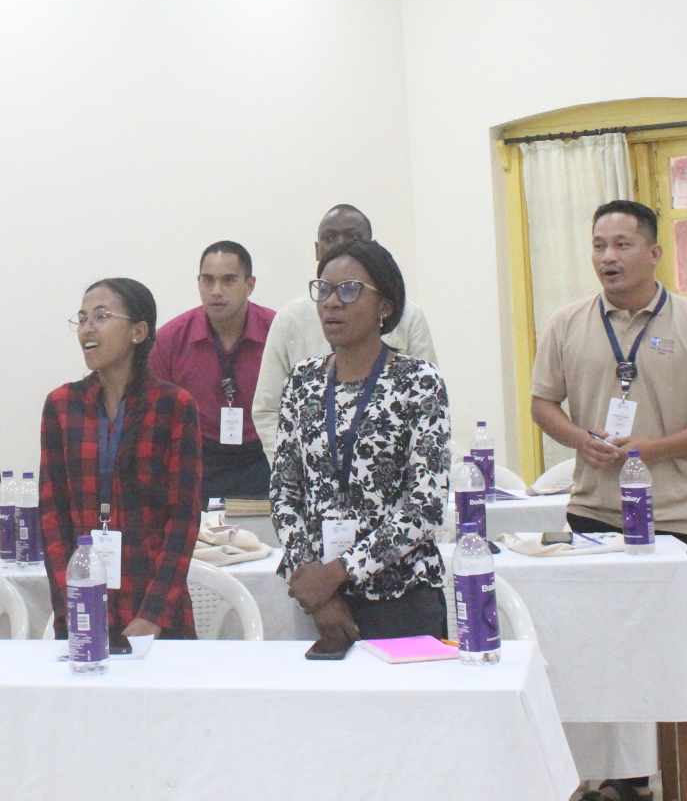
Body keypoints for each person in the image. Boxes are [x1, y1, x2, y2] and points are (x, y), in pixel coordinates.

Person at [530, 199, 687, 801]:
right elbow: (543, 403)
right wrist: (580, 439)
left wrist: (653, 450)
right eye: (599, 245)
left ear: (654, 252)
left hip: (683, 516)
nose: (609, 257)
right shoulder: (567, 323)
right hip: (596, 513)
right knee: (607, 656)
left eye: (623, 244)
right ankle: (624, 779)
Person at [271, 239, 451, 642]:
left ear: (384, 306)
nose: (332, 302)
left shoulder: (418, 382)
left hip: (402, 597)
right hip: (319, 603)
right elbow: (284, 493)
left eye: (349, 290)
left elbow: (425, 505)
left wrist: (340, 572)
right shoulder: (302, 382)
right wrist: (315, 584)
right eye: (323, 290)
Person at [40, 278, 202, 639]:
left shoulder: (174, 407)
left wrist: (152, 617)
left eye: (101, 316)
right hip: (84, 605)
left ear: (138, 332)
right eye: (82, 318)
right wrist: (72, 602)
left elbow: (184, 520)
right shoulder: (62, 406)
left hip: (156, 611)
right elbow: (52, 516)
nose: (87, 328)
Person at [253, 205, 439, 458]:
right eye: (329, 238)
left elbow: (426, 423)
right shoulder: (291, 324)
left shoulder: (409, 317)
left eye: (352, 237)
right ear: (317, 250)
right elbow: (267, 409)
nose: (340, 245)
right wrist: (289, 462)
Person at [149, 240, 276, 498]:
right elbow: (155, 416)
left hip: (264, 456)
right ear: (198, 282)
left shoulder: (277, 332)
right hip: (196, 458)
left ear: (250, 285)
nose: (216, 291)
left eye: (228, 280)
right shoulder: (170, 339)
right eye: (208, 280)